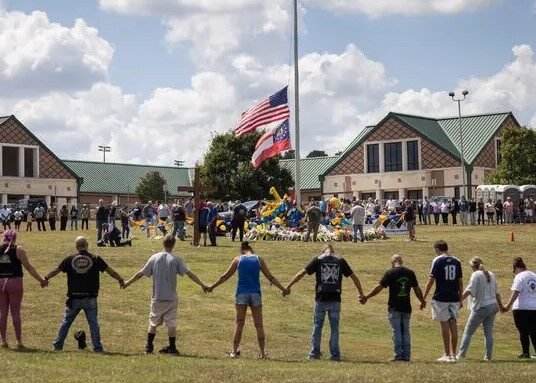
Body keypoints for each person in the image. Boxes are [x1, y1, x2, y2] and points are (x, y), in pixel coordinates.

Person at [123, 234, 209, 355]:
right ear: (173, 245)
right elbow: (189, 273)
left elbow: (141, 273)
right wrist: (202, 284)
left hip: (157, 296)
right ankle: (172, 347)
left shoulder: (154, 258)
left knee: (153, 322)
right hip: (171, 297)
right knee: (171, 323)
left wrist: (128, 282)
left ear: (162, 243)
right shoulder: (175, 259)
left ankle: (149, 346)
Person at [44, 236, 125, 352]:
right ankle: (97, 348)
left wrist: (46, 278)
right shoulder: (95, 258)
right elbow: (110, 271)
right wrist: (120, 280)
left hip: (74, 297)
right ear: (87, 245)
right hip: (90, 297)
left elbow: (56, 270)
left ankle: (57, 345)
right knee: (93, 324)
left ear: (77, 246)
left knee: (66, 322)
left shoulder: (69, 259)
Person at [285, 244, 365, 361]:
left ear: (323, 250)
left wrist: (288, 286)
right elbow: (354, 277)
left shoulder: (318, 260)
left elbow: (301, 273)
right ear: (333, 250)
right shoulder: (340, 260)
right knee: (334, 328)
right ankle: (335, 355)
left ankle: (314, 353)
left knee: (317, 326)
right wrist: (361, 294)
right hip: (335, 299)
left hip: (320, 298)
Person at [209, 241, 287, 359]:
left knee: (239, 323)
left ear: (242, 250)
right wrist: (283, 289)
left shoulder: (238, 259)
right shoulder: (258, 259)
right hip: (255, 293)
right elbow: (270, 277)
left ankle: (234, 352)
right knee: (259, 324)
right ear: (251, 248)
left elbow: (225, 276)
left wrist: (212, 287)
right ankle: (262, 353)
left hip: (242, 293)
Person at [360, 254, 425, 362]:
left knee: (397, 331)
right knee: (406, 331)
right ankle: (407, 355)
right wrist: (422, 301)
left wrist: (367, 296)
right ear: (402, 261)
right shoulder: (410, 273)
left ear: (392, 263)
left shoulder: (390, 273)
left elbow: (379, 288)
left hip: (394, 307)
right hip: (406, 307)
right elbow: (417, 289)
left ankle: (398, 355)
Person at [0, 230, 47, 349]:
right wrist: (41, 280)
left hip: (0, 282)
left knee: (2, 313)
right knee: (15, 312)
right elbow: (28, 267)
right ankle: (18, 340)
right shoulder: (19, 250)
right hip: (15, 281)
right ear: (15, 238)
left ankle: (3, 340)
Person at [423, 240, 463, 362]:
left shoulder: (438, 260)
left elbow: (431, 280)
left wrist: (424, 297)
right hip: (454, 297)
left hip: (441, 297)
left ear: (438, 249)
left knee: (444, 324)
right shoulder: (457, 261)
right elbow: (460, 282)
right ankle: (454, 355)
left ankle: (446, 354)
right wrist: (460, 298)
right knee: (453, 323)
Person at [457, 257, 502, 361]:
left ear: (473, 267)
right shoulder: (491, 274)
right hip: (493, 306)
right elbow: (497, 292)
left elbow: (469, 290)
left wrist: (459, 301)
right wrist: (501, 306)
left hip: (481, 307)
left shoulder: (475, 274)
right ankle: (488, 356)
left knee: (468, 332)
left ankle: (461, 355)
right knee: (488, 332)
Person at [503, 257, 536, 358]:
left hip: (521, 308)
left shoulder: (519, 276)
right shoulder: (534, 275)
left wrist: (507, 305)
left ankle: (526, 353)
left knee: (523, 331)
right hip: (534, 307)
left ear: (516, 267)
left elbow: (516, 292)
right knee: (534, 331)